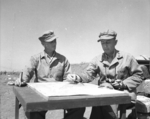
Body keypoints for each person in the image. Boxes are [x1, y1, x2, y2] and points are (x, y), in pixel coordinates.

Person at [66, 30, 144, 119]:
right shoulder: (97, 59)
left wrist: (123, 83)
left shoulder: (127, 58)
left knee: (106, 102)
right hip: (103, 94)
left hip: (124, 93)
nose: (105, 45)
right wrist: (78, 77)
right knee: (99, 102)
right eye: (102, 43)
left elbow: (139, 75)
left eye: (108, 42)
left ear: (115, 42)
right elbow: (89, 74)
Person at [14, 30, 85, 119]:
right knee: (34, 111)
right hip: (40, 95)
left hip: (59, 94)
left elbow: (68, 77)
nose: (54, 43)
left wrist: (70, 79)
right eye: (51, 41)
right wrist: (21, 80)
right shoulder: (35, 58)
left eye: (55, 41)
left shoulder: (63, 59)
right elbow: (26, 74)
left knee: (79, 106)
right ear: (43, 43)